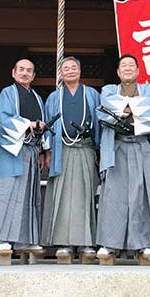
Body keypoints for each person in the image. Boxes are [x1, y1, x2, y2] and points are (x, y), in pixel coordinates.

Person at [95, 54, 150, 262]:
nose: (127, 68)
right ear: (118, 71)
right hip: (116, 146)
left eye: (131, 65)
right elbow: (106, 108)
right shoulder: (108, 90)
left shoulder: (149, 90)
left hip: (140, 146)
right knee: (112, 196)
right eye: (123, 65)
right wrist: (135, 108)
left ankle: (145, 243)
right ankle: (109, 243)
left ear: (138, 70)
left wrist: (123, 108)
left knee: (141, 194)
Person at [41, 57, 101, 259]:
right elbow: (48, 127)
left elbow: (99, 125)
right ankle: (64, 242)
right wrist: (48, 151)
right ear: (61, 74)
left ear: (80, 71)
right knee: (62, 194)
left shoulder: (92, 94)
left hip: (85, 149)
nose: (70, 71)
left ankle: (86, 242)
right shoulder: (54, 97)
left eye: (73, 67)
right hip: (62, 150)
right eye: (66, 69)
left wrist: (99, 151)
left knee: (86, 194)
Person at [0, 59, 48, 254]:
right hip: (12, 151)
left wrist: (43, 149)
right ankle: (3, 239)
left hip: (31, 151)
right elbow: (1, 119)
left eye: (29, 71)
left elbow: (43, 126)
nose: (24, 73)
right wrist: (29, 124)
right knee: (8, 194)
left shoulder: (38, 98)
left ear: (33, 76)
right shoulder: (8, 93)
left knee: (29, 195)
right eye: (21, 70)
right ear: (13, 73)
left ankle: (25, 240)